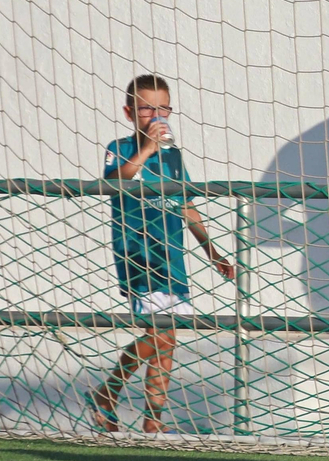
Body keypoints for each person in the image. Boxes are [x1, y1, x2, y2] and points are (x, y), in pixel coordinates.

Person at [87, 75, 234, 434]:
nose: (157, 115)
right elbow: (115, 182)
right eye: (147, 108)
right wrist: (147, 150)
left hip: (172, 258)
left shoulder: (174, 157)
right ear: (129, 112)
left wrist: (212, 251)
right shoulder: (120, 148)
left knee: (167, 344)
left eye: (163, 107)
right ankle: (108, 392)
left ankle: (152, 420)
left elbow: (185, 204)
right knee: (161, 335)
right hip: (139, 256)